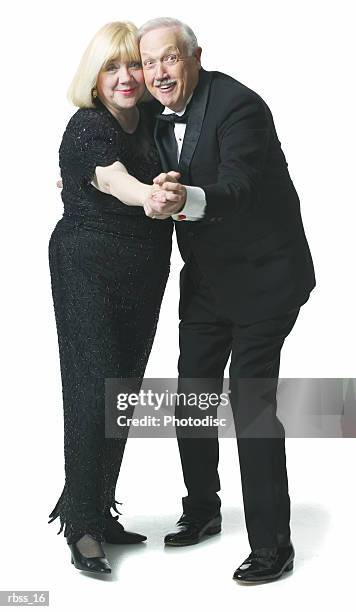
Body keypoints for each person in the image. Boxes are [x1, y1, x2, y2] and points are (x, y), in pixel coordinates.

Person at [138, 17, 316, 584]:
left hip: (267, 278)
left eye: (169, 59)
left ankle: (272, 546)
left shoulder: (240, 106)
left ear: (194, 56)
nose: (158, 73)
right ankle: (203, 509)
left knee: (251, 405)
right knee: (191, 391)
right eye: (149, 63)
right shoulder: (154, 111)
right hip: (208, 280)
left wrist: (181, 198)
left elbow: (236, 187)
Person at [47, 21, 183, 574]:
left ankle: (98, 508)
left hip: (145, 273)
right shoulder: (87, 127)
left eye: (134, 65)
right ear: (95, 77)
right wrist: (147, 195)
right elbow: (111, 177)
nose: (126, 77)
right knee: (92, 390)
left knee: (122, 394)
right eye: (112, 67)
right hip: (88, 271)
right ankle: (79, 526)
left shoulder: (152, 120)